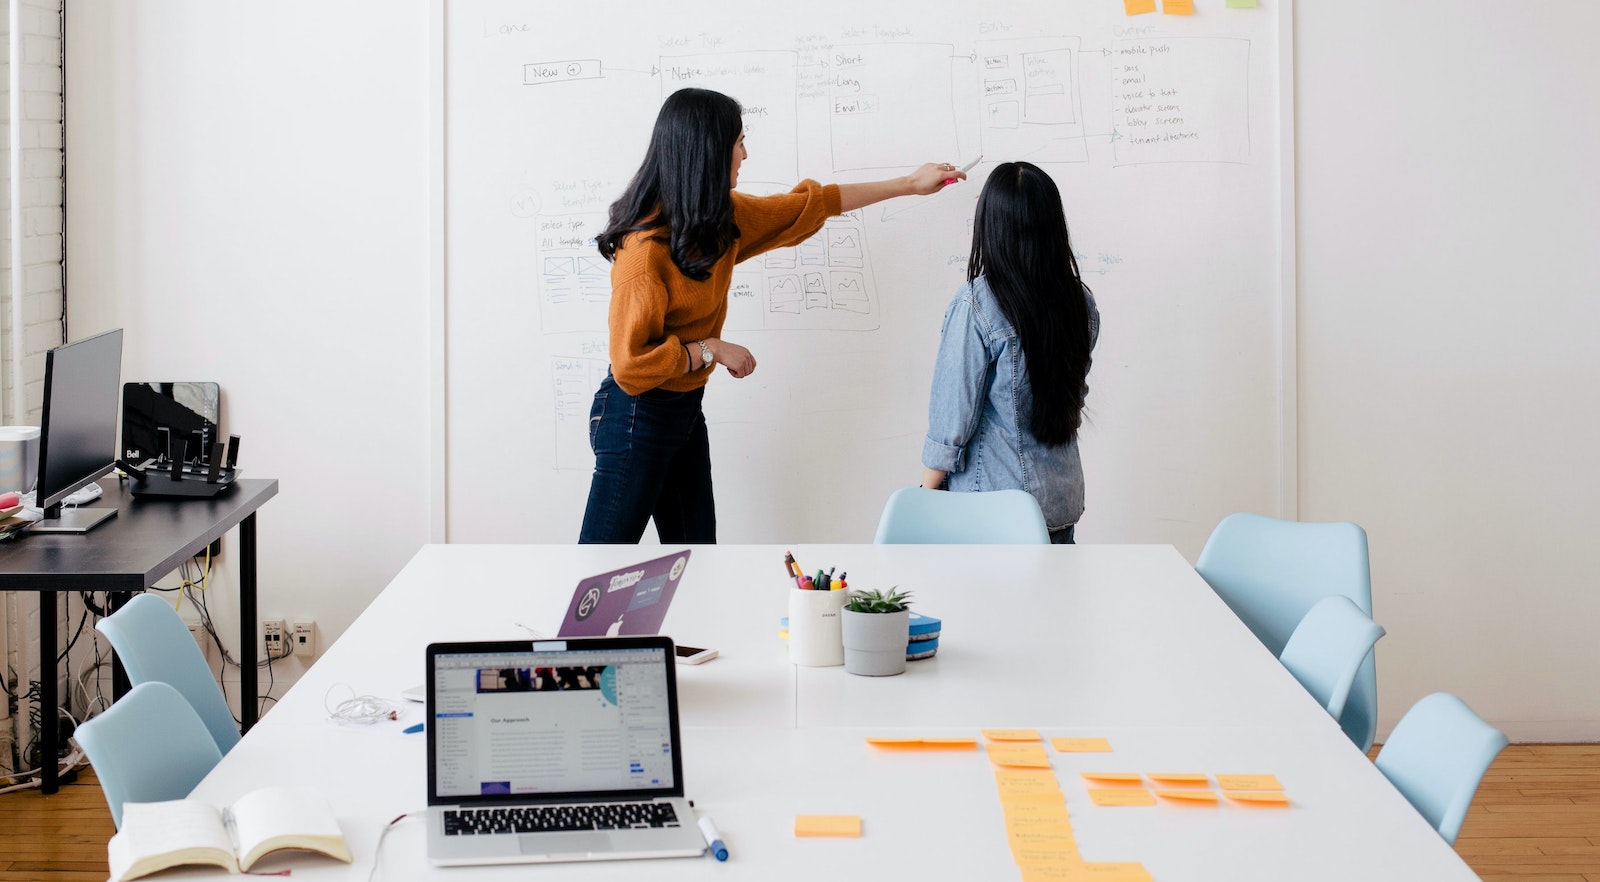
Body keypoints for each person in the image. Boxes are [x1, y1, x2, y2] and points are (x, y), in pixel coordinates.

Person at [580, 87, 964, 544]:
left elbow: (811, 205)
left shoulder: (718, 220)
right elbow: (630, 366)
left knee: (698, 562)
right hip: (633, 416)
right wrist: (710, 349)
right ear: (707, 152)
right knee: (601, 569)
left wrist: (909, 184)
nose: (745, 153)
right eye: (738, 142)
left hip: (683, 412)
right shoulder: (643, 255)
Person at [919, 161, 1099, 544]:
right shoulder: (1079, 301)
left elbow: (952, 420)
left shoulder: (977, 304)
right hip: (1059, 503)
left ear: (992, 224)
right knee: (1050, 605)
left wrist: (923, 496)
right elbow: (1072, 397)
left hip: (992, 509)